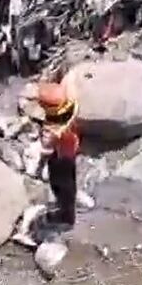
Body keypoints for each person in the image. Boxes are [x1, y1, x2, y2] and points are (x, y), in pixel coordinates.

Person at [38, 81, 80, 226]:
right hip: (70, 152)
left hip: (59, 159)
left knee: (60, 185)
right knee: (70, 183)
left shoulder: (53, 132)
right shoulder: (71, 114)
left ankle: (66, 216)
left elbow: (46, 150)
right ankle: (69, 206)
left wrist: (40, 166)